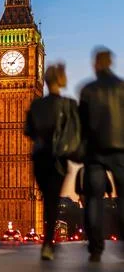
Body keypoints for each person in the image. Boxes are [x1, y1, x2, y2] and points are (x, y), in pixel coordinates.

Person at [25, 63, 78, 261]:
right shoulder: (69, 104)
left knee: (47, 197)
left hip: (40, 157)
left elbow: (28, 130)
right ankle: (48, 243)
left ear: (44, 80)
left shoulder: (36, 104)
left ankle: (47, 243)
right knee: (52, 199)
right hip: (59, 158)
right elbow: (75, 132)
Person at [79, 47, 124, 262]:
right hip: (119, 150)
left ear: (96, 64)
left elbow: (82, 125)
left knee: (94, 200)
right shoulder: (122, 88)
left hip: (95, 151)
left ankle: (95, 248)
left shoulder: (88, 90)